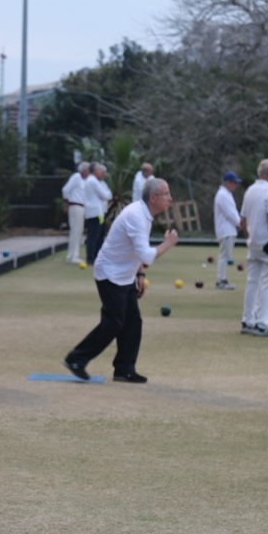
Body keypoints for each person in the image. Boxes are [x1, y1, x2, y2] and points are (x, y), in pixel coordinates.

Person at [63, 178, 179, 384]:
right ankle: (76, 359)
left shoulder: (144, 214)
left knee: (133, 322)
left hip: (124, 275)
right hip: (110, 274)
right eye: (166, 194)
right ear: (153, 198)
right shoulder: (136, 216)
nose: (170, 199)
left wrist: (140, 275)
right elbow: (147, 255)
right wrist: (168, 244)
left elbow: (137, 252)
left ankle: (124, 369)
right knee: (114, 322)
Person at [240, 159, 268, 338]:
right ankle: (262, 323)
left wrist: (250, 237)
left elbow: (242, 221)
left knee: (253, 282)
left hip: (254, 244)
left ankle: (248, 320)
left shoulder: (250, 190)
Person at [214, 171, 241, 291]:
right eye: (234, 183)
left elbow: (232, 212)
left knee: (225, 255)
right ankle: (221, 281)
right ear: (228, 183)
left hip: (229, 230)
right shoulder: (222, 195)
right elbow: (230, 213)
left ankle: (222, 280)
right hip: (226, 230)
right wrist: (240, 223)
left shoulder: (227, 194)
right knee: (224, 256)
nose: (235, 185)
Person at [83, 162, 113, 265]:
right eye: (100, 170)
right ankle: (91, 257)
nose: (101, 172)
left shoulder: (94, 181)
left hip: (98, 212)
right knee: (94, 235)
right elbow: (106, 195)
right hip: (95, 212)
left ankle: (96, 256)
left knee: (98, 235)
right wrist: (107, 194)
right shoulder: (93, 181)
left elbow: (108, 195)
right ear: (95, 171)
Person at [61, 162, 90, 264]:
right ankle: (73, 256)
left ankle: (73, 254)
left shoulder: (83, 180)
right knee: (75, 230)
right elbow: (65, 189)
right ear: (84, 170)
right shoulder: (77, 177)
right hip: (75, 205)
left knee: (78, 231)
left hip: (81, 207)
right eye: (88, 170)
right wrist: (67, 202)